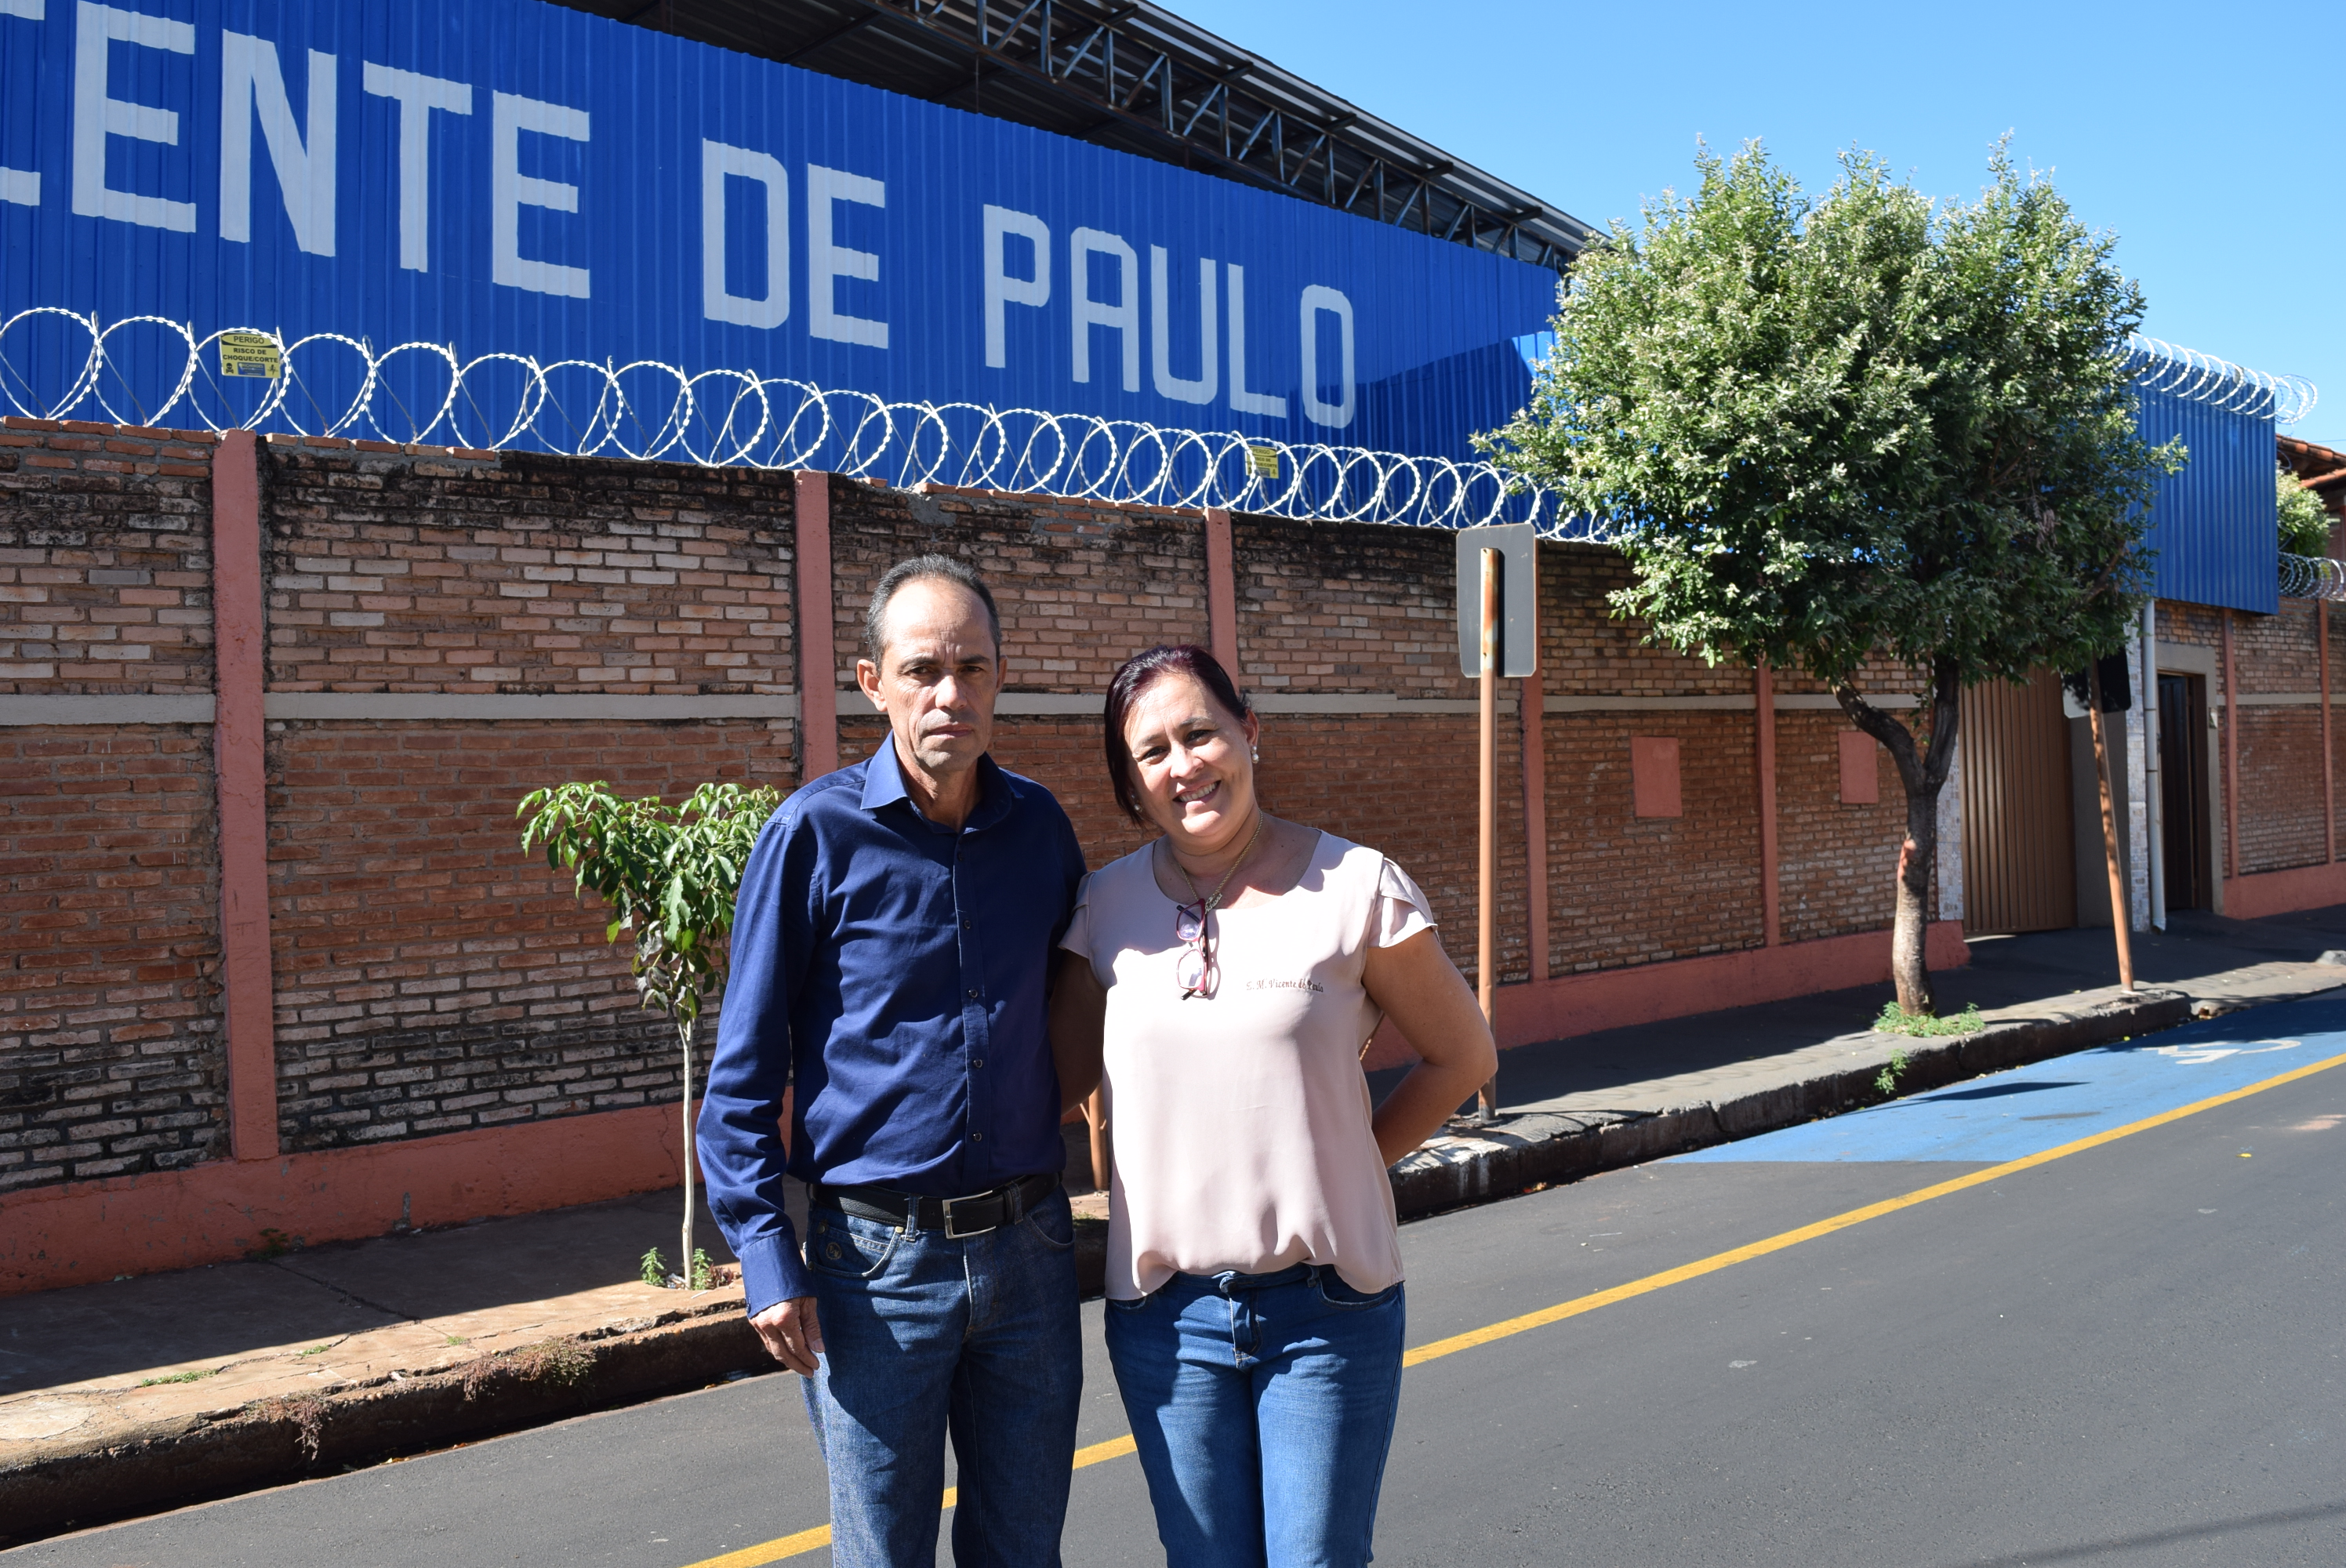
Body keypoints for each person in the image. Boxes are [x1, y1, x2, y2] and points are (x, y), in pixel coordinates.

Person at [1050, 643, 1498, 1568]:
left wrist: (1351, 1162)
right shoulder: (1104, 907)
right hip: (1166, 1319)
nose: (1184, 765)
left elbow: (1462, 1054)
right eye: (1153, 752)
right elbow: (1058, 1085)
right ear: (1132, 786)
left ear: (1248, 731)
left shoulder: (1355, 888)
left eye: (1200, 732)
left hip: (1325, 1313)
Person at [699, 554, 1088, 1568]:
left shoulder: (1041, 832)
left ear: (1002, 679)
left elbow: (1084, 1014)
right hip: (875, 1269)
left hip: (1031, 1254)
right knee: (883, 1555)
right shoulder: (812, 838)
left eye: (972, 668)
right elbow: (744, 1071)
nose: (949, 694)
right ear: (872, 682)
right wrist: (764, 1255)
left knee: (1024, 1550)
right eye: (922, 669)